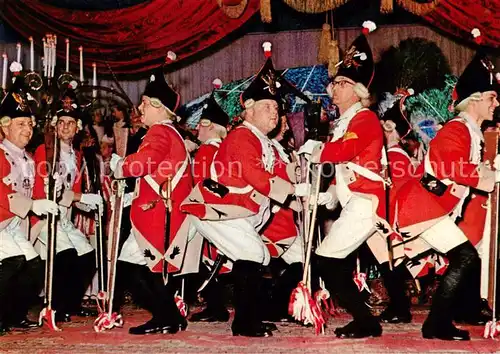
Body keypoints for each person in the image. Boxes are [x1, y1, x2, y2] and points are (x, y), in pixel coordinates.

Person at [181, 46, 309, 337]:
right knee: (253, 253)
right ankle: (244, 322)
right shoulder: (241, 136)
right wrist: (291, 192)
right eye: (268, 107)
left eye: (277, 109)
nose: (275, 114)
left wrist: (301, 176)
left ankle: (249, 318)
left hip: (237, 214)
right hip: (218, 210)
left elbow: (278, 172)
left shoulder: (262, 140)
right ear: (248, 108)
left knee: (256, 256)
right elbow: (256, 174)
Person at [393, 43, 500, 340]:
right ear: (474, 100)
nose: (496, 103)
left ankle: (439, 321)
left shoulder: (471, 132)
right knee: (466, 257)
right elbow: (452, 167)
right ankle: (436, 324)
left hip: (433, 208)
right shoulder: (457, 129)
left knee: (464, 258)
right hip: (424, 208)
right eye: (491, 97)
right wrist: (490, 177)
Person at [301, 21, 387, 339]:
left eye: (340, 83)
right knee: (334, 262)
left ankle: (366, 322)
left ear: (356, 89)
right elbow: (348, 170)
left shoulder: (364, 119)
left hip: (367, 202)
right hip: (356, 200)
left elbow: (346, 152)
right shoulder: (346, 121)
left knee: (327, 262)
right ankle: (366, 319)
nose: (332, 88)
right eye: (334, 82)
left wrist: (317, 149)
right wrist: (328, 198)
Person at [110, 63, 193, 335]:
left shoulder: (158, 132)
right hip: (160, 211)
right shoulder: (172, 133)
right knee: (143, 269)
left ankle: (166, 316)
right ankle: (169, 317)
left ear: (158, 106)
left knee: (132, 270)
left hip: (157, 214)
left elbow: (144, 163)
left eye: (144, 104)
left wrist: (119, 166)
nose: (140, 109)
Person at [32, 88, 102, 323]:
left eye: (70, 123)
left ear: (77, 128)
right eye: (60, 122)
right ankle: (56, 306)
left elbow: (77, 190)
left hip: (64, 218)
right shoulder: (46, 151)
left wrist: (93, 203)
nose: (64, 127)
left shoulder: (77, 155)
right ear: (54, 125)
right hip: (45, 218)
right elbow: (49, 190)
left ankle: (70, 304)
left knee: (88, 255)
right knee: (68, 255)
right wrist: (81, 199)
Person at [0, 76, 59, 333]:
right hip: (1, 221)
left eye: (30, 124)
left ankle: (13, 314)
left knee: (33, 265)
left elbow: (35, 191)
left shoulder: (28, 157)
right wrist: (32, 206)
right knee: (12, 263)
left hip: (14, 224)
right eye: (21, 124)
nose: (27, 129)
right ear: (4, 127)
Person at [189, 84, 232, 323]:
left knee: (208, 260)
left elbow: (204, 183)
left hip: (207, 210)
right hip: (223, 209)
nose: (197, 128)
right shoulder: (224, 150)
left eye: (201, 124)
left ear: (212, 127)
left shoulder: (206, 151)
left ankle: (216, 307)